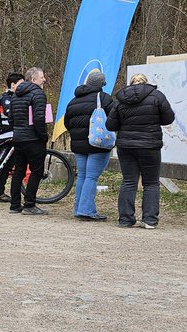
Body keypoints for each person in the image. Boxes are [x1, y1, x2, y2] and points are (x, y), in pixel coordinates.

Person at [107, 73, 175, 229]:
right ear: (146, 82)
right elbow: (168, 118)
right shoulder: (157, 96)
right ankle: (149, 219)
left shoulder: (120, 99)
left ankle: (125, 219)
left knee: (128, 181)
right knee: (151, 183)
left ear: (131, 83)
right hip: (149, 145)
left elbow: (110, 125)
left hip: (126, 146)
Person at [65, 70, 115, 221]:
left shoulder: (73, 100)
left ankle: (79, 208)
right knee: (91, 177)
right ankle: (86, 210)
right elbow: (113, 119)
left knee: (83, 176)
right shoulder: (104, 98)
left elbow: (68, 123)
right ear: (102, 84)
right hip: (97, 144)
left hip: (78, 145)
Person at [7, 67, 50, 215]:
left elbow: (11, 118)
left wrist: (18, 131)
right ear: (33, 79)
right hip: (33, 138)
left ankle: (14, 205)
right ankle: (30, 204)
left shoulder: (15, 95)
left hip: (18, 138)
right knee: (36, 171)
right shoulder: (38, 94)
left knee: (18, 171)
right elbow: (39, 119)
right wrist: (43, 135)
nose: (44, 79)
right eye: (42, 77)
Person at [0, 73, 24, 202]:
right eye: (21, 84)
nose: (23, 86)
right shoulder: (7, 98)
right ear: (13, 85)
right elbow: (10, 115)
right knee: (3, 165)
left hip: (7, 133)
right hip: (7, 135)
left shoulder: (6, 97)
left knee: (5, 165)